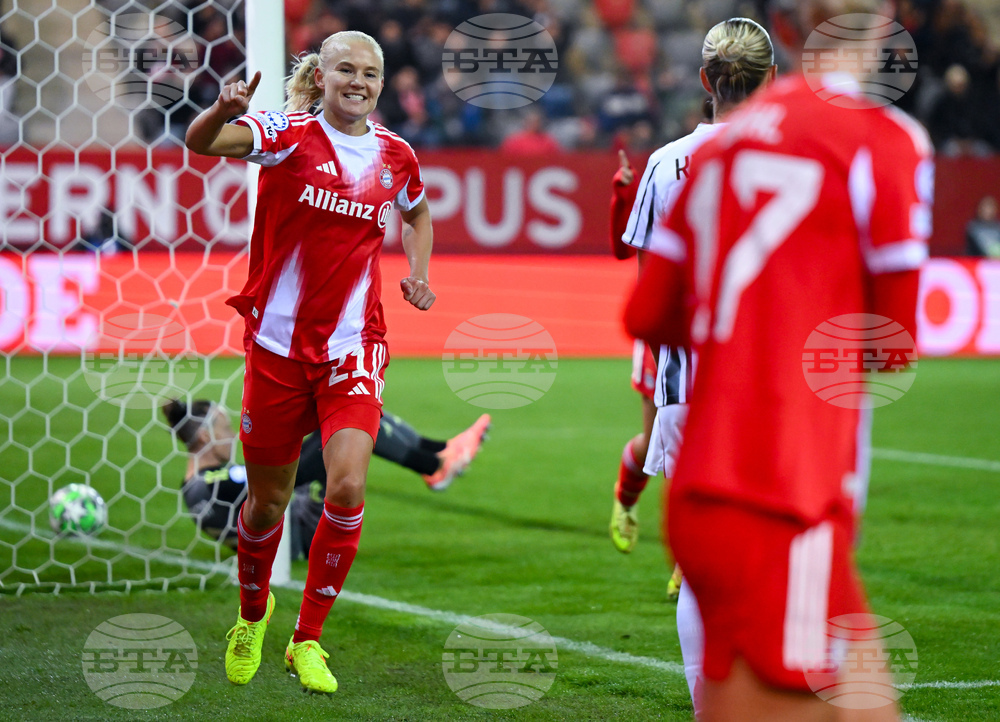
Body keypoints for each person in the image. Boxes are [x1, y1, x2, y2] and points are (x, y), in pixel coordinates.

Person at [625, 1, 932, 719]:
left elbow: (649, 315)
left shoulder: (707, 153)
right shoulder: (885, 141)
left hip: (703, 452)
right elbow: (891, 341)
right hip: (785, 477)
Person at [185, 30, 436, 694]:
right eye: (346, 70)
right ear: (321, 77)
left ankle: (308, 640)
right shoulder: (285, 134)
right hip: (275, 348)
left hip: (354, 345)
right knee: (267, 502)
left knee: (348, 487)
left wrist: (418, 271)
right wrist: (221, 109)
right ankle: (250, 616)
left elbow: (417, 212)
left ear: (383, 85)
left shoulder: (395, 155)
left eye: (371, 74)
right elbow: (203, 143)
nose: (359, 81)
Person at [613, 16, 777, 706]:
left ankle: (709, 705)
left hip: (686, 381)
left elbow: (650, 283)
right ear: (772, 80)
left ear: (705, 81)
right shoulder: (805, 158)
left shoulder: (665, 163)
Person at [162, 399, 491, 551]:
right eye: (224, 428)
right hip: (295, 534)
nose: (233, 435)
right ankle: (436, 464)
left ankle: (441, 452)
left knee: (354, 411)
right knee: (348, 420)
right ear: (204, 437)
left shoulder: (198, 484)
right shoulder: (207, 485)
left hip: (291, 519)